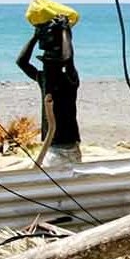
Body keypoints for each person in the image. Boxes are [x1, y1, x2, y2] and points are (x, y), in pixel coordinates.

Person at [17, 14, 81, 168]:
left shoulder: (68, 80)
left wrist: (64, 31)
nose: (45, 66)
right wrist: (36, 36)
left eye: (47, 63)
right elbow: (22, 62)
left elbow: (68, 59)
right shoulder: (46, 79)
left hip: (63, 147)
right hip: (58, 146)